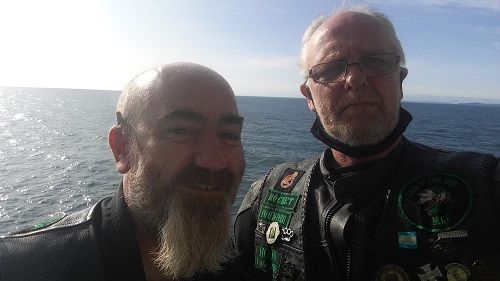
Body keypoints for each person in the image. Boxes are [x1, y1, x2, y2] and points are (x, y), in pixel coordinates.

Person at [234, 6, 500, 281]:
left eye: (375, 61)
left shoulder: (484, 187)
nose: (355, 79)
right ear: (308, 97)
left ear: (400, 80)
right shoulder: (267, 195)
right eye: (331, 68)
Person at [0, 62, 253, 281]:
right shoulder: (22, 267)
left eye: (229, 135)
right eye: (181, 130)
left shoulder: (234, 265)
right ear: (122, 148)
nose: (214, 160)